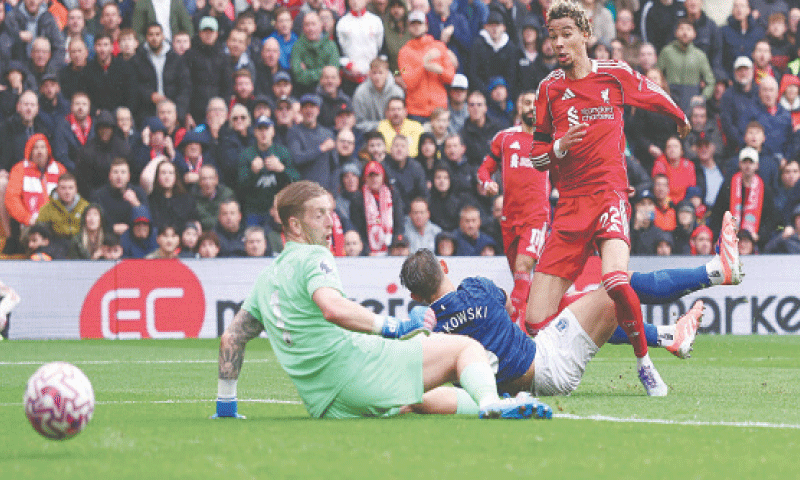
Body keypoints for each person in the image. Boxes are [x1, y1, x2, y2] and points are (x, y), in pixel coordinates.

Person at [213, 180, 548, 419]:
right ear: (294, 225)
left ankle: (495, 399)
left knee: (418, 399)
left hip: (327, 405)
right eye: (319, 214)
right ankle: (491, 402)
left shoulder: (266, 278)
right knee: (465, 347)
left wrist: (226, 406)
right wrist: (395, 325)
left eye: (330, 212)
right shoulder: (314, 257)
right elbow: (332, 307)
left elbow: (232, 337)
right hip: (359, 369)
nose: (330, 222)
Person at [528, 0, 692, 396]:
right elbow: (536, 156)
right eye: (553, 37)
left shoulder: (614, 75)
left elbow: (651, 92)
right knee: (535, 322)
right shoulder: (549, 89)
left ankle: (645, 365)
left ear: (586, 34)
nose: (559, 43)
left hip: (609, 198)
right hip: (569, 210)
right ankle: (663, 334)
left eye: (566, 34)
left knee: (616, 280)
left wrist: (679, 116)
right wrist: (559, 148)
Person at [400, 249, 707, 399]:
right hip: (548, 364)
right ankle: (710, 273)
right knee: (621, 285)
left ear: (415, 295)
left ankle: (667, 335)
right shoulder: (477, 287)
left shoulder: (434, 334)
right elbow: (508, 311)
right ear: (444, 266)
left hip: (521, 381)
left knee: (590, 316)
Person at [478, 90, 549, 324]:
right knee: (520, 279)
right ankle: (531, 330)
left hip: (537, 217)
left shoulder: (549, 140)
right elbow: (484, 169)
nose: (531, 107)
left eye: (534, 104)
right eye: (526, 102)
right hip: (509, 218)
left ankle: (513, 328)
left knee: (523, 267)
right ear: (519, 107)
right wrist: (488, 182)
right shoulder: (505, 138)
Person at [238, 115, 299, 226]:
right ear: (255, 133)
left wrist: (282, 169)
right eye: (260, 129)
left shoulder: (282, 152)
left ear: (273, 132)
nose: (263, 133)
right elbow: (240, 186)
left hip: (277, 209)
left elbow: (296, 179)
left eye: (267, 129)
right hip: (254, 210)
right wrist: (253, 172)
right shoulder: (246, 154)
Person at [398, 10, 456, 121]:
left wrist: (440, 71)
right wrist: (423, 66)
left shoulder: (439, 47)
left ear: (426, 26)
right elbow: (408, 82)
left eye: (419, 24)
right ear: (408, 27)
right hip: (416, 111)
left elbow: (451, 77)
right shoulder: (403, 53)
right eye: (413, 24)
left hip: (439, 109)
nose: (416, 27)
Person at [349, 160, 405, 256]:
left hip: (391, 249)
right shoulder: (358, 199)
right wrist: (367, 251)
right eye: (370, 176)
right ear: (365, 178)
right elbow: (358, 227)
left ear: (383, 176)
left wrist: (394, 247)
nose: (374, 179)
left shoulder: (393, 195)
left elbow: (399, 223)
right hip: (368, 252)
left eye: (377, 175)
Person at [287, 93, 337, 193]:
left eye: (312, 107)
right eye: (305, 107)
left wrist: (333, 192)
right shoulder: (294, 132)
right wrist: (320, 149)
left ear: (318, 110)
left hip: (323, 191)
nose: (309, 110)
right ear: (300, 111)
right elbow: (297, 158)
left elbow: (334, 166)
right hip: (302, 191)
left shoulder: (327, 134)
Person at [35, 172, 89, 246]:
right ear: (57, 189)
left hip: (80, 245)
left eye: (71, 188)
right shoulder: (47, 209)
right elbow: (39, 232)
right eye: (63, 188)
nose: (67, 192)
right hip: (55, 245)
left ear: (76, 189)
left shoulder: (86, 207)